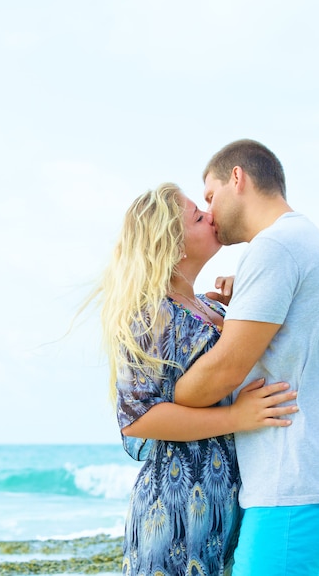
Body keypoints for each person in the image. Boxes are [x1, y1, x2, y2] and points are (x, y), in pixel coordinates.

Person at [174, 140, 319, 576]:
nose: (211, 213)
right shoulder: (306, 238)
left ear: (237, 178)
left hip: (291, 484)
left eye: (209, 197)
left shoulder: (274, 247)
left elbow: (225, 371)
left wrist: (165, 399)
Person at [94, 182, 299, 576]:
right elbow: (139, 419)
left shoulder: (204, 305)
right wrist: (237, 418)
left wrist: (246, 303)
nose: (212, 217)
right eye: (198, 217)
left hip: (227, 498)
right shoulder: (148, 315)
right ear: (174, 243)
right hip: (174, 507)